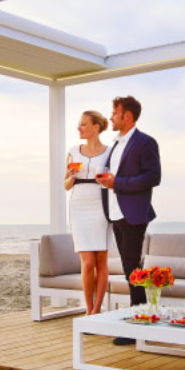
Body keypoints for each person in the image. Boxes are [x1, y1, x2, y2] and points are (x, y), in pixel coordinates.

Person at [96, 96, 161, 344]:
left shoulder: (145, 143)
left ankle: (139, 324)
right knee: (130, 269)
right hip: (114, 213)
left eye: (114, 113)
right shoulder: (115, 144)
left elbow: (153, 177)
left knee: (132, 269)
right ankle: (143, 315)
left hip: (133, 214)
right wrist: (105, 181)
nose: (111, 117)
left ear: (128, 116)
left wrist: (118, 183)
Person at [65, 110, 111, 315]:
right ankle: (88, 308)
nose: (79, 128)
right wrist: (70, 176)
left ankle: (97, 310)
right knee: (88, 261)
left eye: (83, 124)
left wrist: (107, 179)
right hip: (79, 205)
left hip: (101, 203)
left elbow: (114, 180)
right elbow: (66, 185)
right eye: (79, 124)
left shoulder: (110, 152)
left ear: (96, 127)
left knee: (101, 260)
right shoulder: (73, 151)